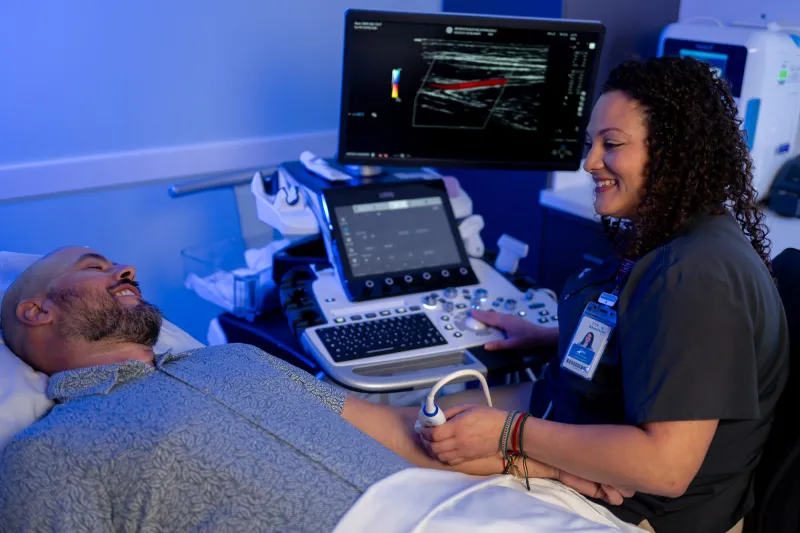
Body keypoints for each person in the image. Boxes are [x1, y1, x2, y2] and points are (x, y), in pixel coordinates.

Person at [0, 246, 627, 532]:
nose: (124, 269)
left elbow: (406, 432)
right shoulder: (52, 451)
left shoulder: (234, 361)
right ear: (36, 312)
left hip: (475, 512)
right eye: (94, 268)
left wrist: (552, 461)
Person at [418, 57, 789, 533]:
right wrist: (549, 336)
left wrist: (511, 434)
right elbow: (660, 344)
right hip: (583, 430)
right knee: (420, 422)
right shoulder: (677, 236)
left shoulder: (697, 275)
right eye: (591, 143)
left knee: (405, 442)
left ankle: (302, 407)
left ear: (674, 152)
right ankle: (302, 404)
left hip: (635, 512)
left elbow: (665, 468)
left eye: (610, 144)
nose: (590, 161)